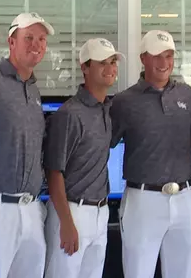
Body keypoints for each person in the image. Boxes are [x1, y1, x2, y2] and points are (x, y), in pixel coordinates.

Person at [0, 12, 54, 278]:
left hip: (30, 211)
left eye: (41, 39)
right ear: (11, 41)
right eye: (28, 37)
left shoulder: (34, 91)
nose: (36, 44)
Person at [110, 30, 191, 278]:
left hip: (186, 197)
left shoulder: (187, 95)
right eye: (157, 56)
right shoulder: (124, 101)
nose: (164, 63)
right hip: (142, 200)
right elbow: (103, 143)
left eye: (169, 55)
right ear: (143, 58)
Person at [43, 38, 123, 278]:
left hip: (100, 212)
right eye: (102, 63)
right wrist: (67, 224)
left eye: (113, 62)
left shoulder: (108, 110)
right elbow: (53, 171)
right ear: (85, 68)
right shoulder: (69, 114)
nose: (110, 68)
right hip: (71, 213)